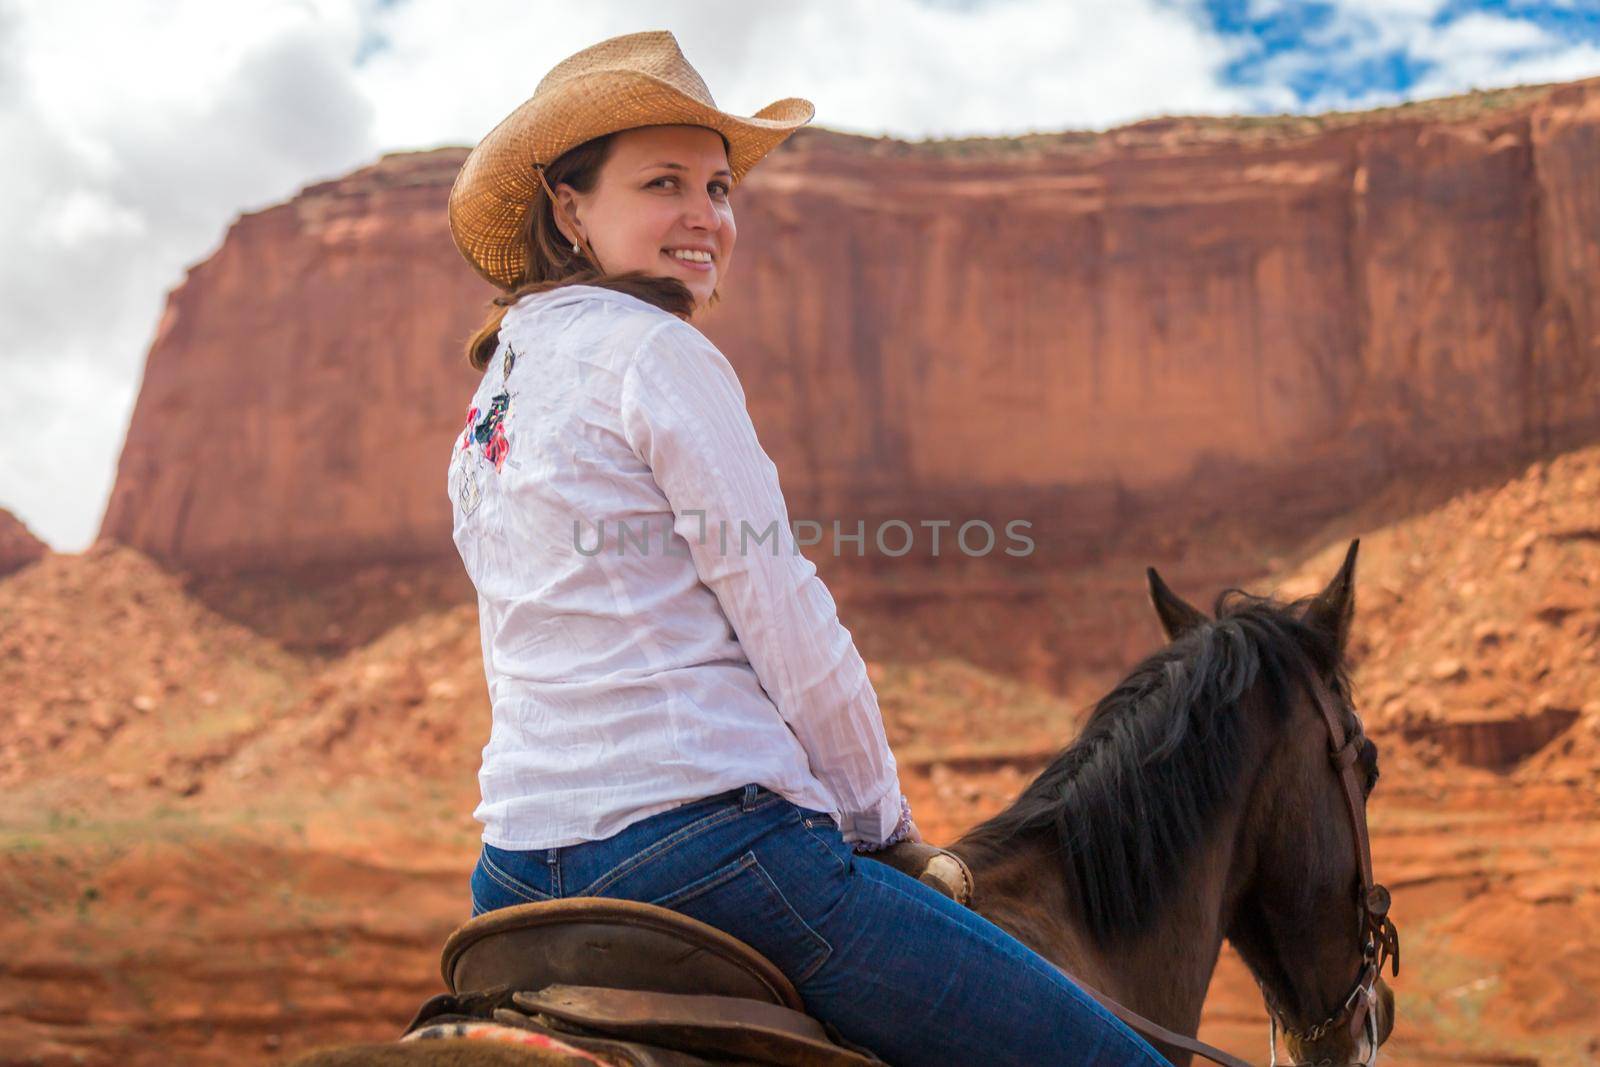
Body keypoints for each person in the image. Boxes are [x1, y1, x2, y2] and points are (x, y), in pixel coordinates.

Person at [445, 28, 1168, 1067]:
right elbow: (782, 610)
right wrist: (881, 827)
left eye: (720, 187)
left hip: (512, 869)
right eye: (662, 183)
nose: (705, 217)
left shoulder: (495, 396)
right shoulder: (654, 350)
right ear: (568, 205)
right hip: (707, 854)